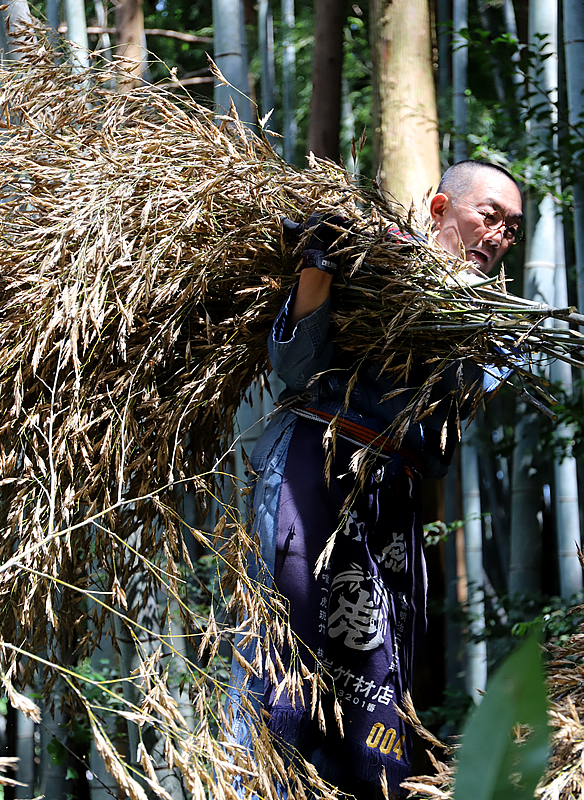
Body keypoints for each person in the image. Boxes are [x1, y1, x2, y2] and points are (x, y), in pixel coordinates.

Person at [227, 161, 524, 799]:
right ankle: (258, 783)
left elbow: (442, 446)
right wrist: (317, 269)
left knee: (378, 664)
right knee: (287, 641)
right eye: (489, 216)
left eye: (513, 228)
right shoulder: (372, 264)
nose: (499, 236)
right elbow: (294, 364)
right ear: (442, 208)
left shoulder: (490, 327)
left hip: (393, 497)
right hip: (316, 466)